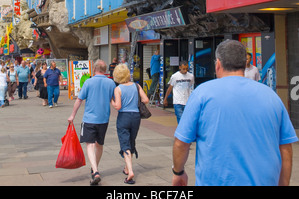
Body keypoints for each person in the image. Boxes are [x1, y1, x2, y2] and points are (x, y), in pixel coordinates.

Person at [172, 39, 298, 187]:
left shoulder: (202, 93)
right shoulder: (271, 96)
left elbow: (181, 143)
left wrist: (178, 173)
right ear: (245, 64)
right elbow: (286, 148)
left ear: (218, 64)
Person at [68, 59, 115, 186]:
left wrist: (72, 115)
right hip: (104, 119)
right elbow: (114, 101)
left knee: (90, 145)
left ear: (94, 69)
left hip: (89, 119)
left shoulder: (88, 82)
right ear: (105, 70)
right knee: (99, 144)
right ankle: (95, 169)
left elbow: (79, 100)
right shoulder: (111, 83)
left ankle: (95, 171)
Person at [111, 64, 149, 185]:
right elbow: (146, 100)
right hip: (136, 117)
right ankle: (127, 168)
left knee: (125, 143)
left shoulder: (118, 89)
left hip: (124, 117)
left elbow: (118, 106)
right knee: (131, 141)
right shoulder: (136, 86)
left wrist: (111, 100)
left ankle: (130, 171)